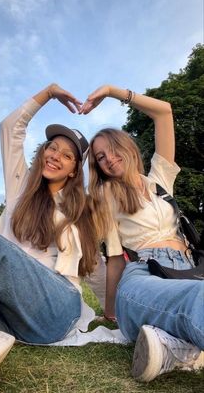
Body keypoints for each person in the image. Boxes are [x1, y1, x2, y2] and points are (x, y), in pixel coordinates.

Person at [0, 83, 100, 392]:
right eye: (52, 147)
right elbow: (11, 127)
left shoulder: (78, 210)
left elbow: (96, 266)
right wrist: (49, 93)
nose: (55, 155)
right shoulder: (20, 187)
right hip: (13, 313)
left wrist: (114, 310)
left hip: (57, 310)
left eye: (66, 156)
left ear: (73, 170)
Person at [80, 84, 204, 382]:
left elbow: (163, 113)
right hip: (143, 273)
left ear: (126, 146)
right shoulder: (104, 195)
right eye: (99, 157)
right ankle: (178, 346)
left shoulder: (159, 179)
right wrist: (110, 312)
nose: (108, 158)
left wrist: (111, 91)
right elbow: (114, 258)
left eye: (112, 149)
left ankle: (173, 347)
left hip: (190, 268)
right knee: (196, 299)